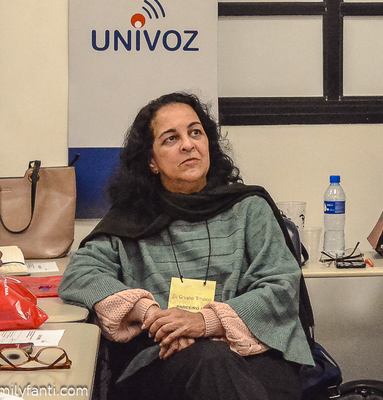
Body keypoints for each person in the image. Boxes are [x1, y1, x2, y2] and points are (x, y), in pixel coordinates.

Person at [59, 92, 313, 400]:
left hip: (251, 351)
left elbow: (282, 287)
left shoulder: (249, 208)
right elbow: (80, 275)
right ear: (152, 161)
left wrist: (201, 323)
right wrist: (153, 315)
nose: (188, 144)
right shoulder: (130, 218)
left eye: (195, 132)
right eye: (170, 138)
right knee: (211, 362)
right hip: (162, 358)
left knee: (230, 369)